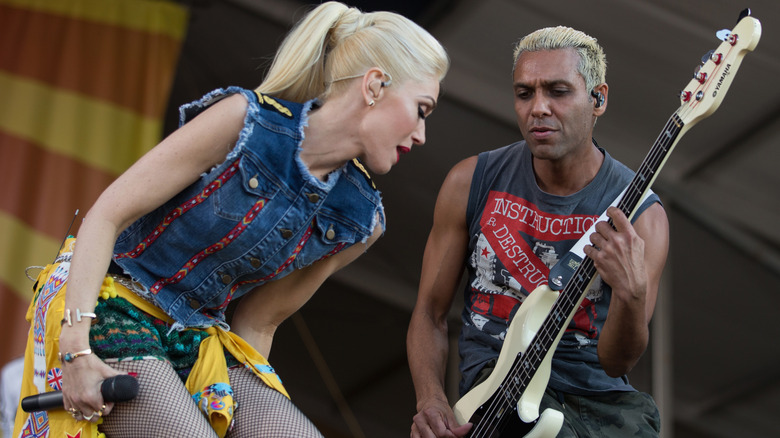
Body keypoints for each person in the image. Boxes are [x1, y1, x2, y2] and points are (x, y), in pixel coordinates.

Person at [14, 2, 449, 437]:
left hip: (198, 339)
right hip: (109, 303)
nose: (422, 135)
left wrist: (241, 421)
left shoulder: (360, 219)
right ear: (374, 85)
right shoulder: (245, 121)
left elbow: (257, 324)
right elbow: (106, 215)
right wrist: (75, 351)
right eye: (422, 110)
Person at [407, 26, 668, 437]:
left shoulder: (643, 216)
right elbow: (430, 313)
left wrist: (632, 296)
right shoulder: (470, 181)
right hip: (494, 396)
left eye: (558, 91)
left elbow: (618, 363)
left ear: (598, 98)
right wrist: (431, 399)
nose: (538, 108)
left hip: (594, 405)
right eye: (525, 93)